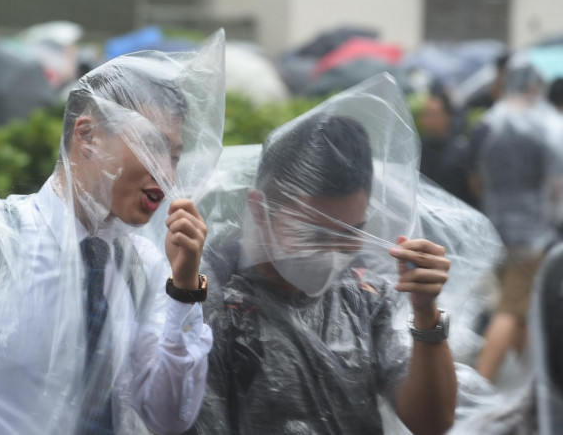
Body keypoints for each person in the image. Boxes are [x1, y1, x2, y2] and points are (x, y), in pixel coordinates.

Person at [0, 31, 225, 434]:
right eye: (153, 147)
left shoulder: (147, 269)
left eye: (174, 156)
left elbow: (169, 418)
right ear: (87, 137)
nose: (167, 175)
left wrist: (185, 290)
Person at [189, 75, 457, 435]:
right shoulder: (209, 297)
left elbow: (430, 423)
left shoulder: (361, 295)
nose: (334, 255)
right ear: (259, 210)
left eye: (351, 234)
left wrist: (426, 313)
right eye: (315, 234)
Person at [474, 54, 563, 383]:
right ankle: (478, 390)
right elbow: (556, 187)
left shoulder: (488, 123)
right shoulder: (548, 126)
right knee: (511, 310)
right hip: (533, 234)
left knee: (523, 309)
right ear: (533, 86)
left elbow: (476, 177)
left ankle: (532, 386)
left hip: (495, 228)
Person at [419, 90, 476, 207]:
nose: (429, 121)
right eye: (426, 115)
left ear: (448, 116)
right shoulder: (419, 150)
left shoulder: (461, 149)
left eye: (434, 115)